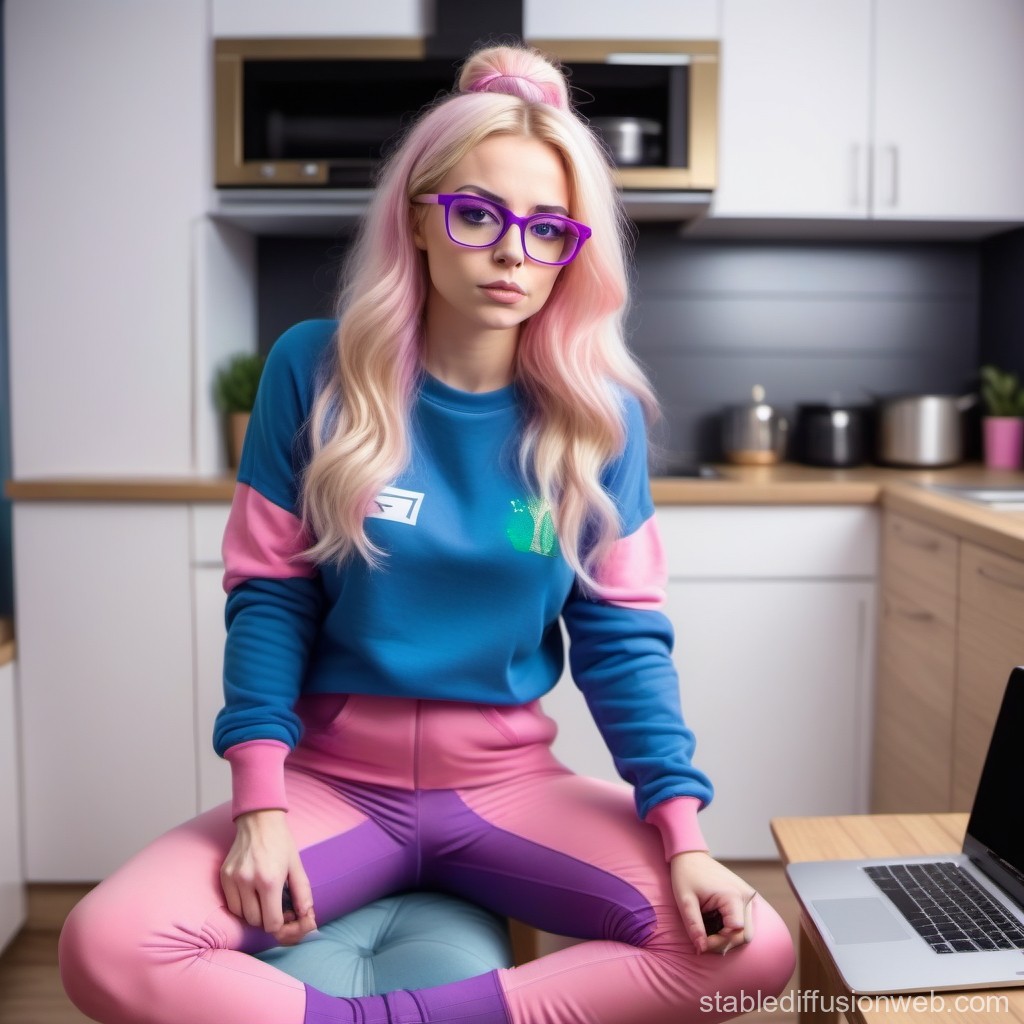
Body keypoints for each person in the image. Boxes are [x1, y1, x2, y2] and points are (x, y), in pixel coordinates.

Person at [59, 43, 794, 1024]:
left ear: (573, 249)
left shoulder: (599, 419)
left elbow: (622, 642)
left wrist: (683, 834)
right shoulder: (311, 370)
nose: (513, 254)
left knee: (754, 948)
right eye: (478, 214)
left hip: (509, 788)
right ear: (418, 215)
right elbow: (270, 599)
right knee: (105, 942)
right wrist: (261, 805)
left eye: (548, 229)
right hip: (331, 785)